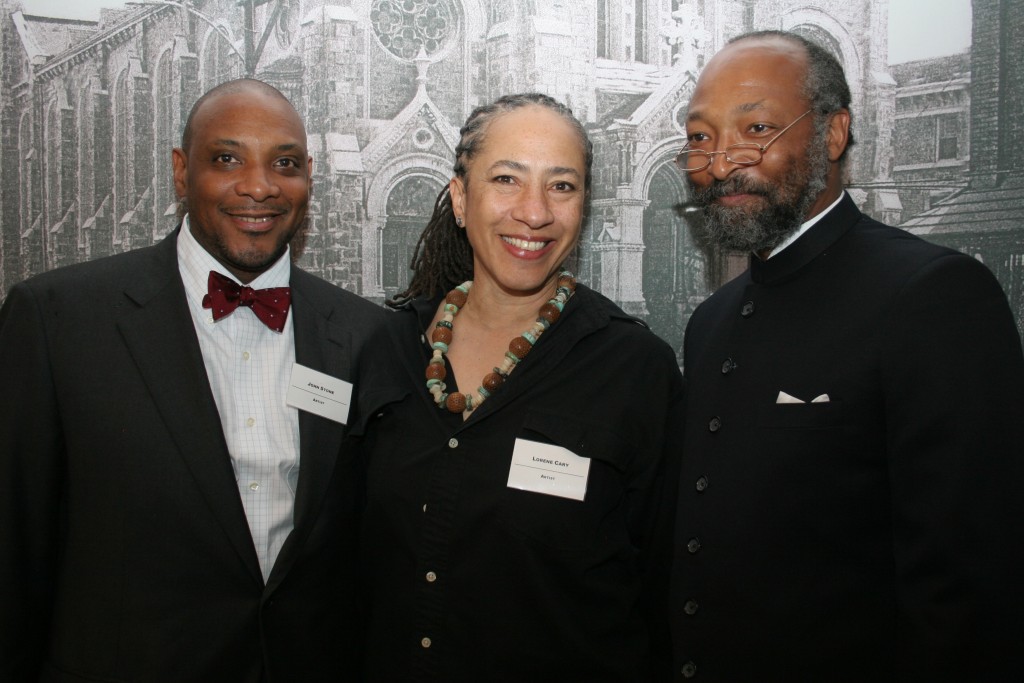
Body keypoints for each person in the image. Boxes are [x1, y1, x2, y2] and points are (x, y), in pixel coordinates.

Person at [0, 78, 382, 681]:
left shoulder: (366, 336)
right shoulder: (58, 320)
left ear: (309, 176)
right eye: (226, 159)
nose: (258, 186)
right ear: (182, 172)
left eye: (283, 164)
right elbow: (13, 552)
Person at [670, 30, 1024, 681]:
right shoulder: (711, 322)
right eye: (699, 137)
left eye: (756, 128)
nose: (720, 162)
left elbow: (970, 598)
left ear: (833, 136)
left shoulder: (934, 296)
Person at [348, 93, 683, 681]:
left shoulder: (636, 370)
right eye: (506, 179)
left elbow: (662, 589)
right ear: (459, 196)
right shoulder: (390, 348)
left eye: (562, 186)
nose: (534, 212)